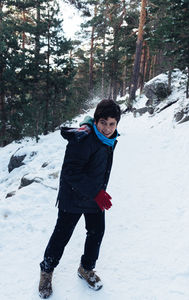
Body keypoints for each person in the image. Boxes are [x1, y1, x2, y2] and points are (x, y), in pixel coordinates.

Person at [39, 99, 121, 298]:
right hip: (73, 197)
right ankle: (47, 270)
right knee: (62, 235)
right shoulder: (83, 139)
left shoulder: (109, 140)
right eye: (103, 122)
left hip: (94, 196)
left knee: (96, 232)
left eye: (112, 124)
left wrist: (97, 192)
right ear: (95, 121)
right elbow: (70, 172)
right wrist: (96, 191)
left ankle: (86, 268)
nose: (107, 128)